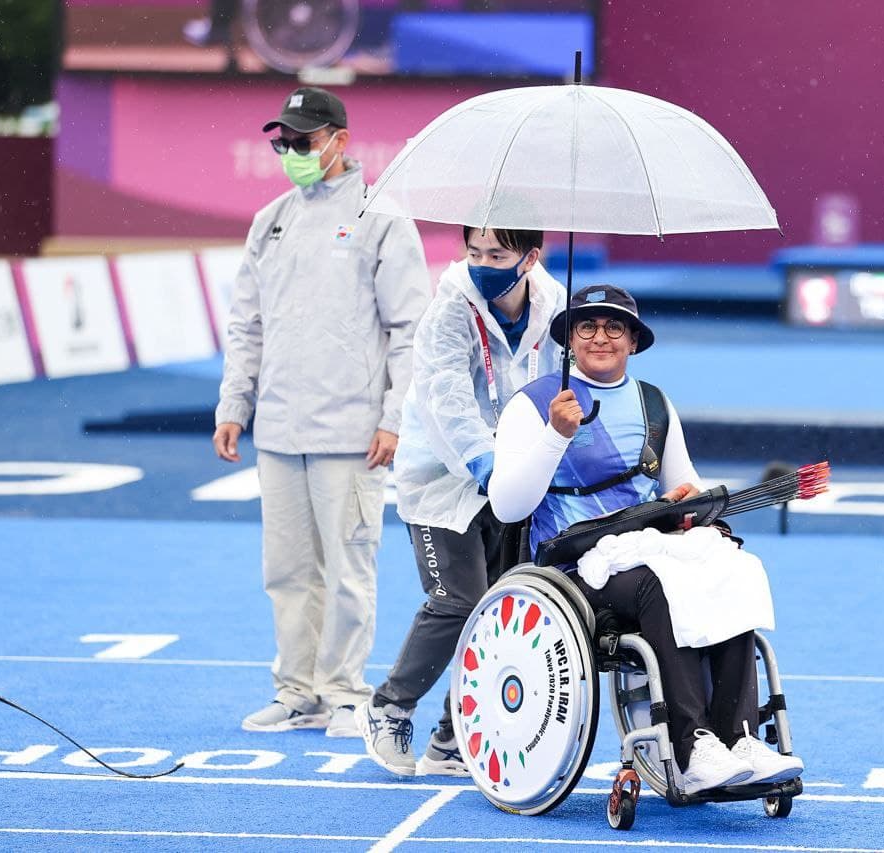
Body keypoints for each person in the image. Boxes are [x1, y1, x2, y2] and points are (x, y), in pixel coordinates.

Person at [486, 284, 804, 795]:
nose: (601, 337)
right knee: (662, 583)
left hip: (647, 551)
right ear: (569, 339)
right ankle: (692, 748)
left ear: (633, 341)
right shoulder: (535, 405)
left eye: (615, 327)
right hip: (574, 571)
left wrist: (688, 502)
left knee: (733, 566)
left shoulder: (653, 403)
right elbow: (507, 507)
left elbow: (686, 484)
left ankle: (740, 739)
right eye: (587, 327)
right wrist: (555, 436)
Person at [214, 86, 429, 737]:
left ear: (340, 139)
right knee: (287, 570)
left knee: (347, 568)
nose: (292, 153)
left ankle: (343, 690)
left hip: (352, 430)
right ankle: (297, 689)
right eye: (283, 143)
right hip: (279, 427)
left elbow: (409, 327)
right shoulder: (270, 220)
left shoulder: (381, 217)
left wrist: (394, 417)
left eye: (303, 141)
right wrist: (234, 403)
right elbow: (247, 323)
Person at [356, 226, 568, 776]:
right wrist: (490, 468)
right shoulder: (450, 310)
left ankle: (455, 734)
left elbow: (554, 387)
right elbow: (446, 402)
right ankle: (389, 707)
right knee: (458, 598)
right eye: (474, 252)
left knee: (501, 609)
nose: (482, 264)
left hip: (515, 475)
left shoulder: (555, 304)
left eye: (497, 254)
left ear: (530, 258)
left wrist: (534, 463)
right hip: (443, 475)